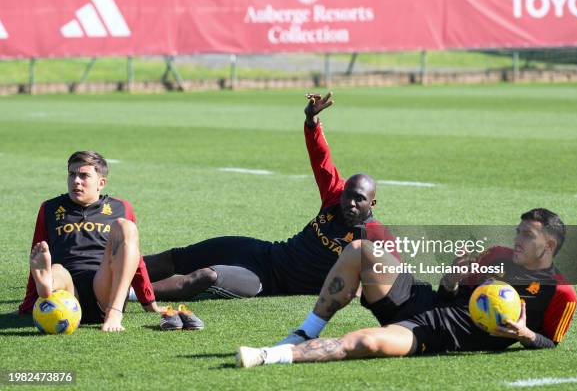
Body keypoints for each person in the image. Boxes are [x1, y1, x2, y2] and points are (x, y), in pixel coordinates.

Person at [237, 208, 577, 367]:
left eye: (527, 235)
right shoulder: (498, 255)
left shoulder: (561, 293)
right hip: (419, 297)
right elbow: (447, 294)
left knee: (365, 342)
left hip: (433, 332)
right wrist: (452, 279)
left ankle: (268, 356)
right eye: (518, 231)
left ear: (548, 244)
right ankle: (304, 332)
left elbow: (551, 342)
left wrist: (524, 334)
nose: (517, 239)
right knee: (360, 250)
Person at [144, 92, 395, 303]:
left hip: (267, 282)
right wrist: (311, 120)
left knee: (205, 276)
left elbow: (397, 275)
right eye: (348, 196)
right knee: (179, 256)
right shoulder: (335, 196)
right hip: (265, 253)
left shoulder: (375, 235)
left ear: (371, 203)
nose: (349, 202)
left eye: (358, 199)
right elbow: (321, 160)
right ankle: (109, 270)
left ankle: (128, 293)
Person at [18, 151, 163, 331]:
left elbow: (135, 261)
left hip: (104, 287)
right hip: (67, 292)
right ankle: (46, 288)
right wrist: (28, 303)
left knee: (126, 227)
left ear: (101, 183)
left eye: (84, 175)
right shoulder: (50, 207)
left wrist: (149, 302)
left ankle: (114, 313)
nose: (76, 181)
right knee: (55, 269)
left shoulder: (120, 207)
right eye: (72, 174)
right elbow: (38, 254)